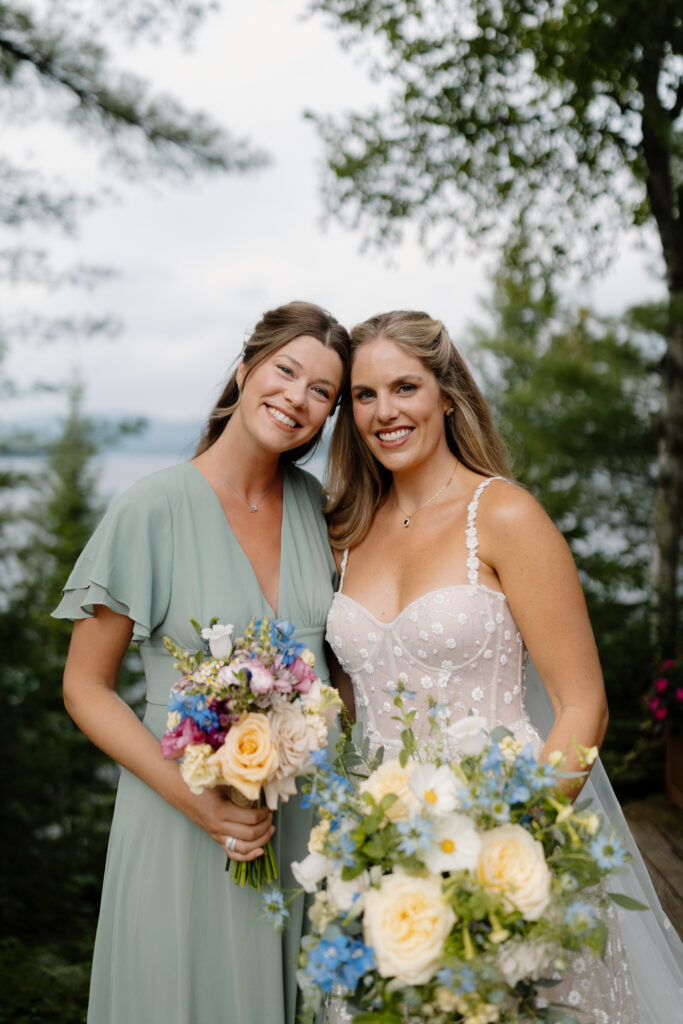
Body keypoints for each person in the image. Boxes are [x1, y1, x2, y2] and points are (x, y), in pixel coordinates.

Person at [323, 310, 683, 1023]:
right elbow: (348, 703)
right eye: (364, 395)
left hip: (510, 847)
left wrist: (508, 850)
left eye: (404, 387)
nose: (384, 412)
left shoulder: (505, 515)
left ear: (446, 393)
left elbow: (583, 706)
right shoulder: (342, 531)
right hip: (386, 859)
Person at [53, 301, 349, 1024]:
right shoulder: (151, 508)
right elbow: (85, 688)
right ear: (246, 368)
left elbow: (346, 668)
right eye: (286, 370)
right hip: (182, 817)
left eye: (323, 393)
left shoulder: (322, 509)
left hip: (307, 825)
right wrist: (200, 805)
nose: (297, 398)